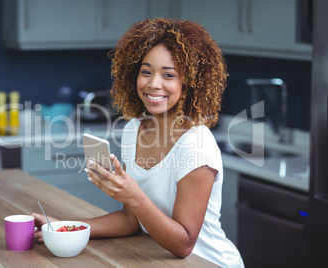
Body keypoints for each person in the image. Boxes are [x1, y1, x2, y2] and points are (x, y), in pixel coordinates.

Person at [32, 18, 244, 267]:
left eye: (168, 74)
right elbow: (131, 220)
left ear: (190, 82)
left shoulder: (195, 143)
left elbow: (184, 243)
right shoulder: (134, 129)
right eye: (146, 71)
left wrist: (134, 196)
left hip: (208, 262)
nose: (154, 83)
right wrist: (65, 228)